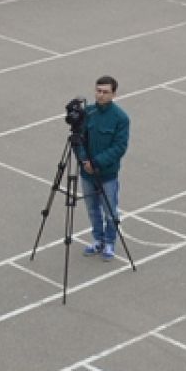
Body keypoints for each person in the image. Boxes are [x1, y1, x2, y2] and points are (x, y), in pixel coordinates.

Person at [78, 75, 129, 260]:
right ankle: (98, 240)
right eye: (98, 91)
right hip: (87, 173)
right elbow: (79, 141)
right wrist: (84, 161)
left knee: (110, 211)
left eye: (105, 92)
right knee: (92, 210)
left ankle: (109, 243)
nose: (100, 95)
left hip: (107, 174)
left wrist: (96, 163)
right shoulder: (88, 113)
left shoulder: (120, 118)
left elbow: (119, 147)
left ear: (114, 94)